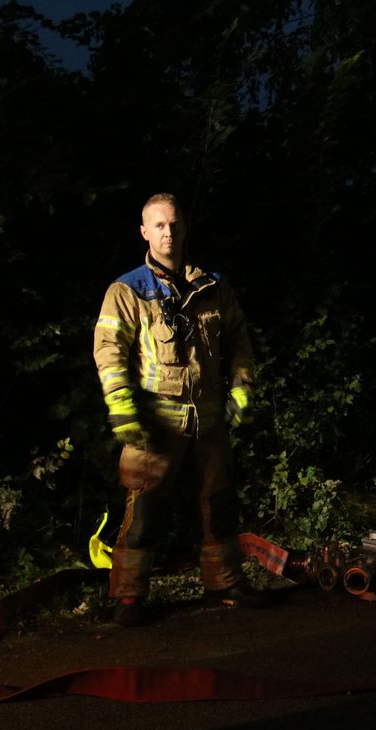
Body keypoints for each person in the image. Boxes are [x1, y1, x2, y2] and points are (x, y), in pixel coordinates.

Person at [93, 193, 274, 626]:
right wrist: (120, 404)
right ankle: (129, 597)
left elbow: (239, 342)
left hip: (210, 421)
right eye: (158, 225)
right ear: (144, 232)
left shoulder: (213, 285)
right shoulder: (127, 290)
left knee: (219, 505)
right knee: (144, 513)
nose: (168, 232)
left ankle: (225, 582)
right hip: (156, 425)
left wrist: (243, 388)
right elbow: (108, 352)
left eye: (174, 224)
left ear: (184, 228)